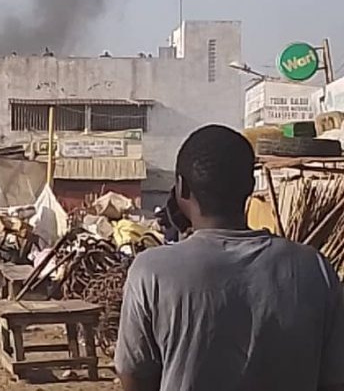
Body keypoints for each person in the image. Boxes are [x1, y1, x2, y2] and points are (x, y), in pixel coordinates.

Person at [115, 125, 344, 391]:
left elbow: (134, 376)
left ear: (182, 188)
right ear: (250, 185)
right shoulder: (314, 268)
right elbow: (334, 379)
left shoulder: (151, 272)